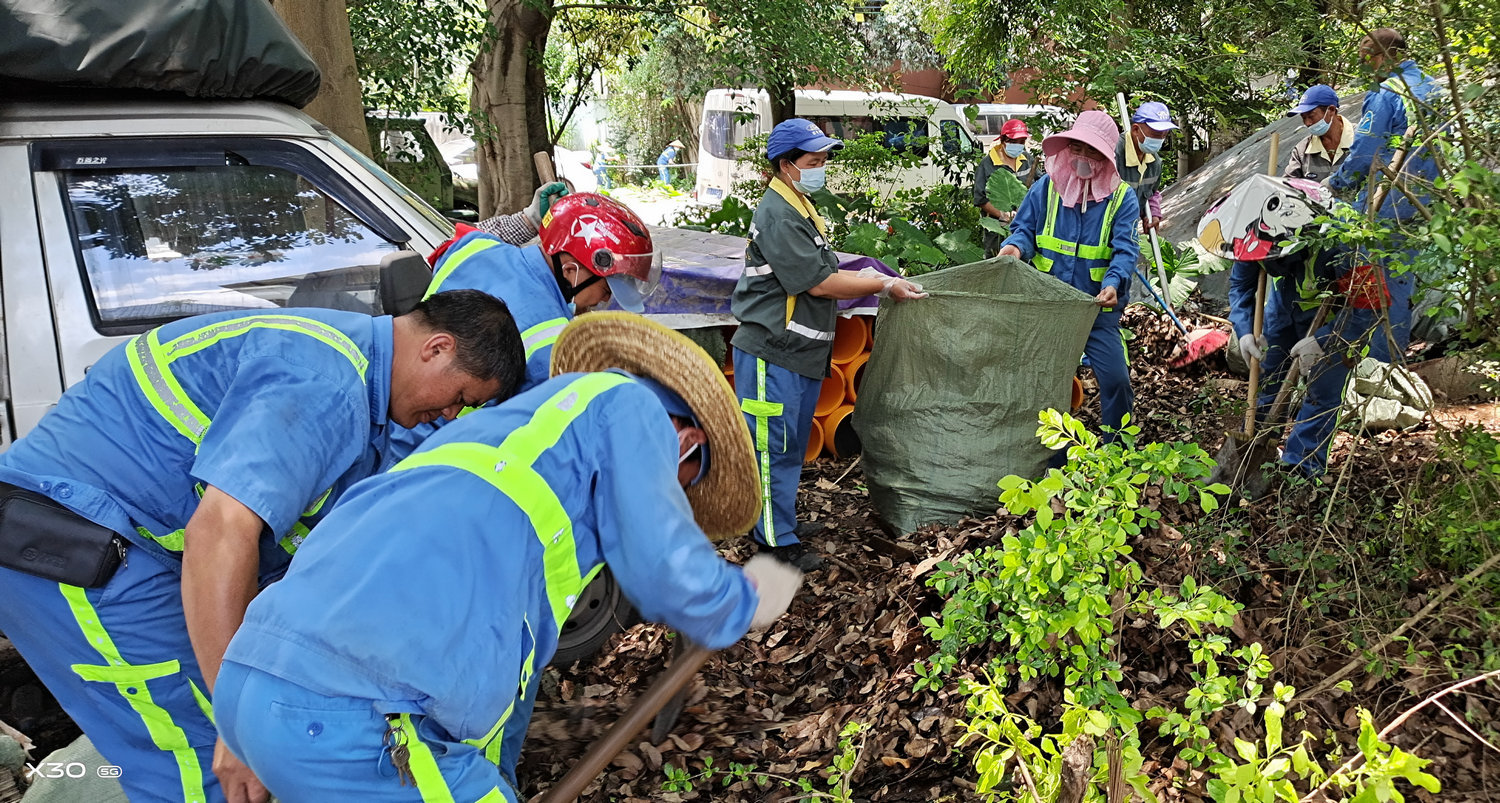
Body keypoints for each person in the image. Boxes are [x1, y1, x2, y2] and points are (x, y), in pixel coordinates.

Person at [214, 313, 799, 802]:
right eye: (685, 486)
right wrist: (743, 600)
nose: (677, 498)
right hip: (356, 717)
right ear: (686, 442)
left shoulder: (496, 440)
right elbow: (663, 562)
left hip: (256, 687)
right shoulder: (630, 405)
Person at [0, 291, 526, 803]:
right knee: (203, 756)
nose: (452, 415)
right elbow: (221, 533)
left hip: (115, 542)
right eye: (461, 398)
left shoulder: (359, 383)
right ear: (436, 349)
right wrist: (238, 721)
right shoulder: (327, 382)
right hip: (76, 546)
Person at [731, 118, 928, 572]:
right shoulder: (778, 214)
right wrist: (882, 284)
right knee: (770, 448)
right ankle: (775, 544)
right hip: (771, 352)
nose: (820, 169)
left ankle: (781, 524)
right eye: (813, 161)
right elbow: (818, 283)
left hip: (796, 355)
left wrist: (882, 280)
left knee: (791, 444)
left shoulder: (798, 205)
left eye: (823, 161)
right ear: (786, 165)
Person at [1225, 181, 1388, 478]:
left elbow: (1370, 305)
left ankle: (1302, 467)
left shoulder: (1344, 237)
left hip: (1336, 316)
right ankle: (1256, 446)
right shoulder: (1252, 232)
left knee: (1322, 392)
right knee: (1268, 375)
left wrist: (1324, 340)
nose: (1265, 261)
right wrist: (1245, 330)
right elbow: (1241, 284)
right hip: (1284, 304)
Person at [423, 192, 660, 394]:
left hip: (398, 419)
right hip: (446, 443)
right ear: (570, 271)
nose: (606, 299)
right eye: (607, 289)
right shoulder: (550, 344)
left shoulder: (473, 246)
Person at [999, 110, 1142, 441]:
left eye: (1092, 151)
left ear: (1106, 157)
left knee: (1116, 379)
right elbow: (1024, 230)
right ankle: (1054, 455)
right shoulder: (1046, 189)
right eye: (1078, 148)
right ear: (1067, 148)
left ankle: (1116, 451)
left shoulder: (1122, 199)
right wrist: (1014, 248)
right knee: (1049, 383)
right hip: (1051, 308)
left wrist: (1112, 283)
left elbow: (1125, 251)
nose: (1083, 157)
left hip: (1097, 311)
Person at [1324, 27, 1438, 363]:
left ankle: (1374, 368)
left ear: (1389, 56)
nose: (1364, 65)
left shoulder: (1387, 94)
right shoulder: (1433, 88)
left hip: (1389, 201)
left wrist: (1338, 184)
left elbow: (1365, 152)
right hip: (1426, 201)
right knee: (1400, 286)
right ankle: (1389, 368)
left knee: (1376, 290)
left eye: (1366, 57)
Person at [973, 118, 1041, 257]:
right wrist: (1003, 215)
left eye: (1021, 142)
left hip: (1025, 222)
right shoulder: (988, 164)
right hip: (997, 226)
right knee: (997, 260)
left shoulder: (1027, 159)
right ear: (1003, 140)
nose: (1018, 145)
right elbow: (980, 198)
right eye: (1013, 142)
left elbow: (1040, 184)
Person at [1114, 101, 1177, 233]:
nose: (1160, 140)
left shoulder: (1154, 162)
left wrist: (1153, 213)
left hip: (1128, 230)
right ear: (1136, 129)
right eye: (1155, 134)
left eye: (1164, 135)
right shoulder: (1114, 154)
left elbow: (1151, 193)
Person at [1283, 84, 1354, 182]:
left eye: (1311, 116)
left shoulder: (1361, 139)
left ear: (1331, 110)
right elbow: (1287, 186)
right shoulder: (1302, 151)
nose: (1307, 123)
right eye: (1303, 118)